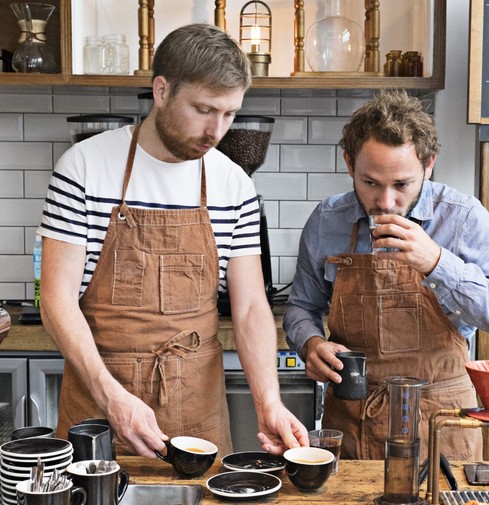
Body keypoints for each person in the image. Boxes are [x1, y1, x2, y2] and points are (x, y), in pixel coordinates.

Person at [38, 23, 308, 458]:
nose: (217, 130)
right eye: (204, 109)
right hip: (99, 411)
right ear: (161, 90)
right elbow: (55, 299)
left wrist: (269, 402)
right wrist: (111, 396)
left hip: (197, 413)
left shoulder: (232, 184)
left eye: (230, 114)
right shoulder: (83, 169)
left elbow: (252, 306)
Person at [283, 90, 489, 461]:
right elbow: (300, 308)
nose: (385, 202)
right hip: (353, 423)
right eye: (370, 183)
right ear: (349, 163)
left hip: (441, 426)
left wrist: (437, 263)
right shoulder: (326, 220)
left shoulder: (461, 217)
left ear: (428, 164)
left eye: (402, 185)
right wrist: (310, 345)